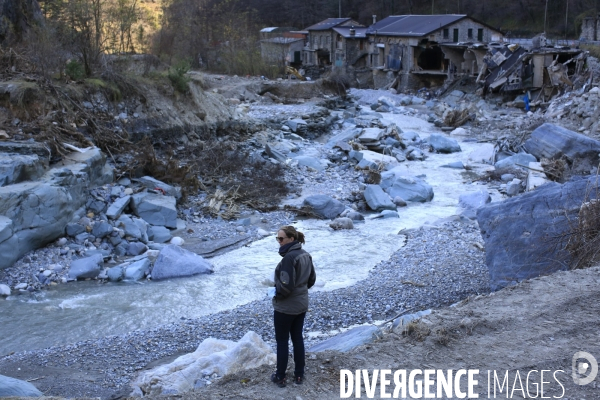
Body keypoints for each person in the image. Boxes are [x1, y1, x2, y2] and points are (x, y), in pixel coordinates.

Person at [270, 225, 316, 387]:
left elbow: (286, 287)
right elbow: (311, 280)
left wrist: (276, 293)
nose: (279, 242)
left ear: (291, 239)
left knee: (282, 341)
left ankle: (280, 376)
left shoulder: (289, 258)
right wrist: (300, 291)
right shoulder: (305, 255)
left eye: (281, 239)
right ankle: (299, 375)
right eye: (277, 239)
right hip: (301, 305)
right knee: (297, 338)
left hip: (286, 308)